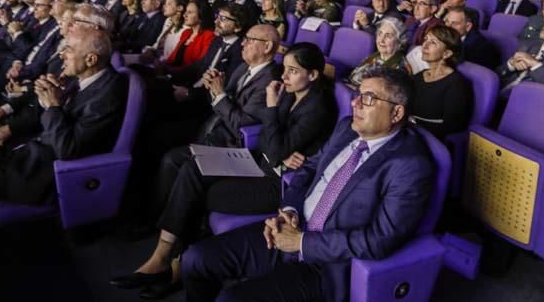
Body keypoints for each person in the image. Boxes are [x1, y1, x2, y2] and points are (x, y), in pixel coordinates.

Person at [179, 67, 435, 302]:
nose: (354, 102)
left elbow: (379, 239)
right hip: (292, 227)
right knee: (195, 259)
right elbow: (308, 170)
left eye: (368, 98)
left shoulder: (410, 164)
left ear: (397, 112)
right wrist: (289, 210)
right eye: (357, 94)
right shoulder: (347, 127)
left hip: (326, 264)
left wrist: (302, 243)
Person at [111, 43, 338, 298]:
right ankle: (164, 256)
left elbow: (273, 148)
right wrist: (279, 147)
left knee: (197, 196)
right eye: (284, 68)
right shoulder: (290, 92)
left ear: (314, 75)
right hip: (259, 162)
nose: (284, 76)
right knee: (193, 169)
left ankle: (176, 266)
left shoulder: (319, 106)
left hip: (277, 182)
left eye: (293, 71)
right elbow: (266, 140)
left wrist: (272, 109)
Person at [0, 28, 126, 226]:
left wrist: (53, 105)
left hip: (34, 175)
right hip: (27, 152)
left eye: (69, 50)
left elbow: (67, 149)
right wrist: (51, 98)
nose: (62, 54)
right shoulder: (82, 79)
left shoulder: (107, 95)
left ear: (90, 59)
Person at [410, 25, 473, 139]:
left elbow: (453, 126)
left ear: (447, 54)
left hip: (428, 140)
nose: (425, 45)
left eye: (433, 42)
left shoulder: (456, 84)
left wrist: (415, 124)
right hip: (410, 132)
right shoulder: (420, 75)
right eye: (426, 39)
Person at [347, 17, 410, 88]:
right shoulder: (375, 56)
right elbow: (353, 77)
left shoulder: (399, 70)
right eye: (380, 33)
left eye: (388, 36)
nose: (381, 40)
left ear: (399, 42)